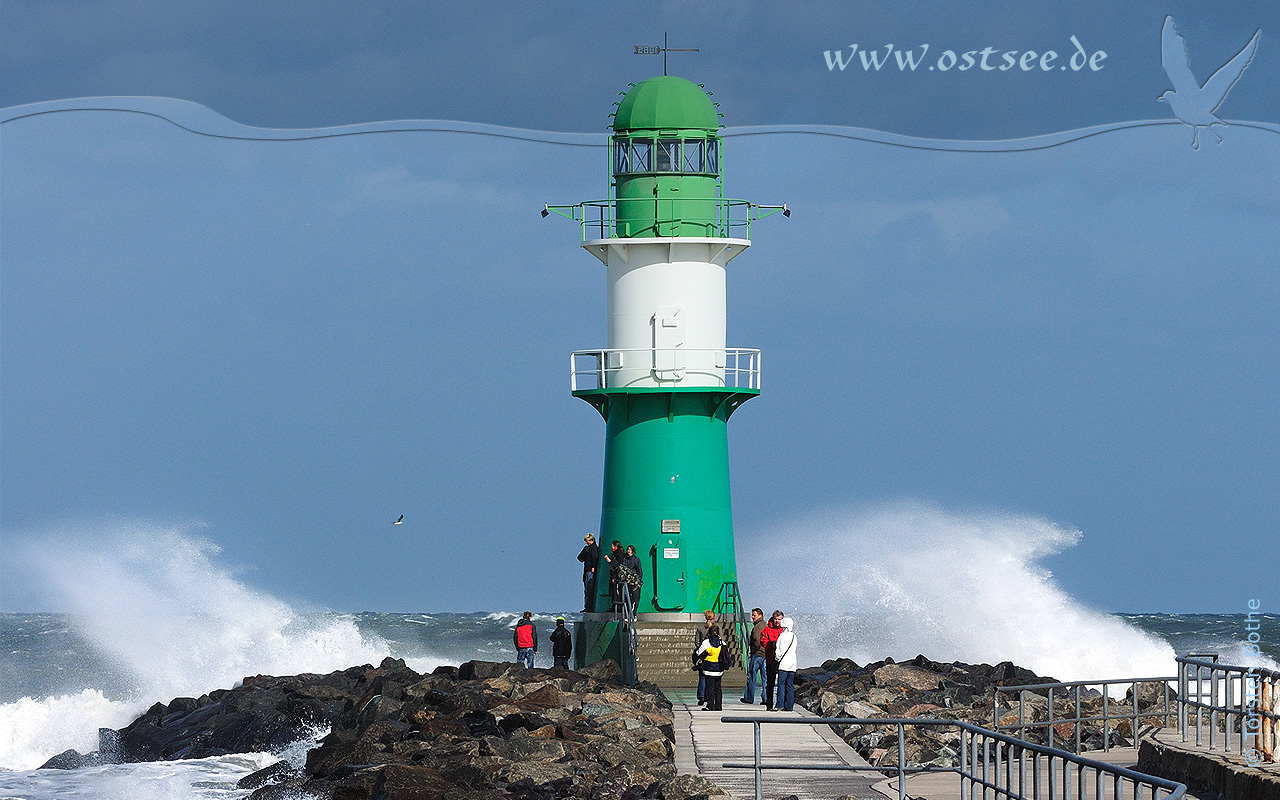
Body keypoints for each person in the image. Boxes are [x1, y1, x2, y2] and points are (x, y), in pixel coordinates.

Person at [694, 624, 725, 711]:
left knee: (710, 687)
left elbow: (699, 653)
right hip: (719, 669)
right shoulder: (722, 643)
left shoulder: (706, 642)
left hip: (708, 668)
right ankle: (719, 706)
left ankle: (710, 705)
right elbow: (725, 655)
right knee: (718, 688)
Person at [740, 608, 767, 705]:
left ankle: (749, 698)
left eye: (754, 615)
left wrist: (753, 651)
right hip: (765, 654)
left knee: (751, 676)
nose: (752, 617)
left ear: (760, 615)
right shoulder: (765, 625)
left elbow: (756, 640)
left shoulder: (757, 627)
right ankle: (765, 698)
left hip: (757, 654)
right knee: (765, 678)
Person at [761, 609, 784, 710]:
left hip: (782, 661)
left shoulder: (784, 630)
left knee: (781, 683)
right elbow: (763, 642)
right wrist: (772, 644)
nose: (777, 621)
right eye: (776, 619)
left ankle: (780, 704)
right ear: (772, 619)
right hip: (771, 660)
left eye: (779, 619)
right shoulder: (766, 630)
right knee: (770, 683)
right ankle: (769, 704)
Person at [774, 616, 798, 711]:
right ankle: (789, 706)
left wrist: (777, 660)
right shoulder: (794, 636)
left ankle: (779, 704)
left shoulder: (782, 636)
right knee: (790, 685)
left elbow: (778, 651)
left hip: (783, 664)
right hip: (792, 664)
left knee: (781, 684)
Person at [693, 609, 716, 706]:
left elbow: (697, 642)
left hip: (703, 654)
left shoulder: (700, 628)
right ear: (714, 617)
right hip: (714, 655)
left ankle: (701, 696)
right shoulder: (716, 628)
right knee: (712, 677)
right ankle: (709, 696)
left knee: (702, 676)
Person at [576, 534, 600, 612]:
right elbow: (580, 558)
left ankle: (588, 608)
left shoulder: (593, 548)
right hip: (588, 570)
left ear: (592, 540)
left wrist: (593, 566)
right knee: (587, 589)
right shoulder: (589, 548)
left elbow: (595, 557)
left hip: (589, 570)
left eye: (587, 541)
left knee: (589, 589)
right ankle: (587, 607)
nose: (586, 543)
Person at [620, 544, 643, 610]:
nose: (628, 551)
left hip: (634, 581)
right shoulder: (624, 559)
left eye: (630, 550)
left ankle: (633, 614)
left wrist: (637, 579)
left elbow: (639, 571)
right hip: (626, 581)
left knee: (635, 598)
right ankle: (627, 613)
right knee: (626, 598)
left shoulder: (636, 560)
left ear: (633, 551)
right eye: (628, 549)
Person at [603, 540, 624, 612]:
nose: (611, 547)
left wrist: (609, 561)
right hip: (613, 575)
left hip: (616, 576)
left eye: (612, 545)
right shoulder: (615, 554)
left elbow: (617, 566)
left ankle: (618, 608)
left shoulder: (619, 555)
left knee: (617, 592)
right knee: (613, 592)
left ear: (615, 546)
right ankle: (615, 607)